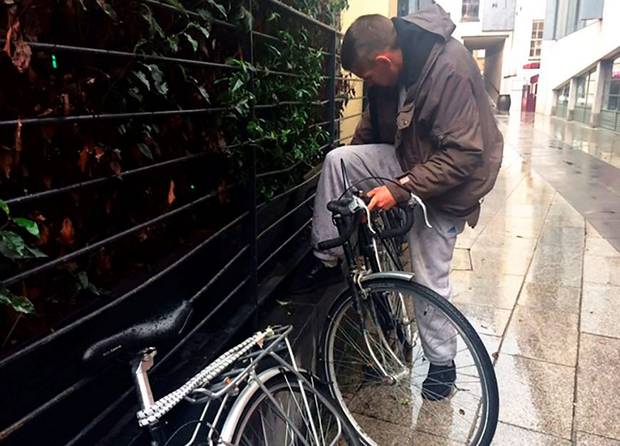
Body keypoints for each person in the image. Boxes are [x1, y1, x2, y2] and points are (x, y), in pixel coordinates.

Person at [291, 3, 503, 400]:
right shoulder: (386, 74)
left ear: (385, 59)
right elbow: (371, 130)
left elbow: (464, 154)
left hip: (454, 178)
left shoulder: (449, 67)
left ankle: (442, 365)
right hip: (410, 157)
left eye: (367, 75)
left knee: (429, 273)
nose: (367, 81)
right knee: (338, 161)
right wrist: (360, 181)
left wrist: (400, 189)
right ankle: (325, 259)